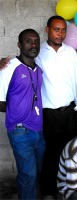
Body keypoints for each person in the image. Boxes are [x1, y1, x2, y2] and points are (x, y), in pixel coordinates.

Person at [0, 16, 77, 199]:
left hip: (69, 112)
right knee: (48, 157)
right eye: (56, 29)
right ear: (47, 30)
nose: (60, 33)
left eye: (63, 30)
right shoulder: (38, 53)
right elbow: (16, 64)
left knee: (69, 154)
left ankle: (66, 190)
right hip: (47, 114)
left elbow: (76, 80)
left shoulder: (71, 53)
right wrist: (1, 63)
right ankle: (48, 192)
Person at [0, 29, 46, 200]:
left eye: (36, 41)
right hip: (20, 131)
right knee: (29, 176)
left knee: (34, 174)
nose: (33, 45)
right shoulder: (9, 67)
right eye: (28, 41)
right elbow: (0, 101)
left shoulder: (38, 70)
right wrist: (19, 111)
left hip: (39, 131)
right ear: (19, 45)